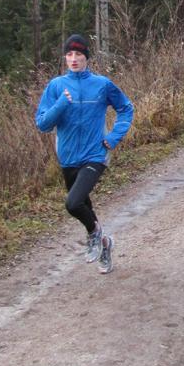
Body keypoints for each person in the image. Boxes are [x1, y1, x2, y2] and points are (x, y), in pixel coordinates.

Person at [34, 33, 134, 275]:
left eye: (78, 54)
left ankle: (94, 235)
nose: (74, 58)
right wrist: (61, 104)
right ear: (65, 58)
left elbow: (126, 108)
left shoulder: (102, 85)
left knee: (73, 203)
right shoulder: (56, 86)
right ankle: (105, 243)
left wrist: (112, 137)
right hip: (67, 157)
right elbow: (42, 124)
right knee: (84, 206)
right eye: (69, 54)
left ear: (87, 57)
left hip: (95, 155)